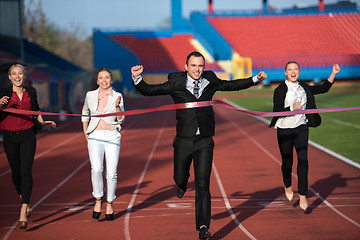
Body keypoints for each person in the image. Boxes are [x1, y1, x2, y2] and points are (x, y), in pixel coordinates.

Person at [131, 51, 267, 239]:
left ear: (204, 67)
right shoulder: (175, 82)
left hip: (205, 140)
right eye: (193, 66)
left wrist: (254, 79)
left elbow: (231, 85)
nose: (197, 69)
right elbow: (150, 90)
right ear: (186, 67)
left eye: (200, 66)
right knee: (179, 176)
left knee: (203, 184)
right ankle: (181, 183)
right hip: (184, 140)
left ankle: (203, 226)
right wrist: (138, 79)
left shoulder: (210, 79)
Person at [269, 61, 341, 211]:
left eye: (296, 69)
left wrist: (333, 73)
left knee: (303, 159)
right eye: (290, 70)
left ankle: (302, 194)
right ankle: (288, 185)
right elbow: (276, 110)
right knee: (287, 162)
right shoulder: (280, 89)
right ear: (285, 72)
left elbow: (323, 88)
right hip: (284, 129)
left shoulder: (305, 87)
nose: (293, 72)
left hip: (301, 127)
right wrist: (291, 108)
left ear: (299, 72)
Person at [0, 64, 56, 229]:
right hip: (9, 137)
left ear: (24, 77)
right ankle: (22, 197)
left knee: (25, 171)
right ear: (9, 77)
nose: (17, 77)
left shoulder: (31, 92)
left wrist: (43, 122)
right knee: (16, 173)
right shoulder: (3, 93)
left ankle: (23, 209)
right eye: (14, 74)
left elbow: (35, 110)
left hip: (27, 136)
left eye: (20, 74)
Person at [81, 67, 124, 221]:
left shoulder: (118, 95)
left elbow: (121, 119)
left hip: (112, 136)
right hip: (95, 136)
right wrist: (86, 133)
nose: (104, 80)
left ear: (111, 80)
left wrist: (118, 107)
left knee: (111, 173)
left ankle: (110, 202)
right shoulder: (90, 95)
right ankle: (98, 199)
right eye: (101, 78)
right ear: (97, 80)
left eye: (107, 78)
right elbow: (85, 113)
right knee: (97, 168)